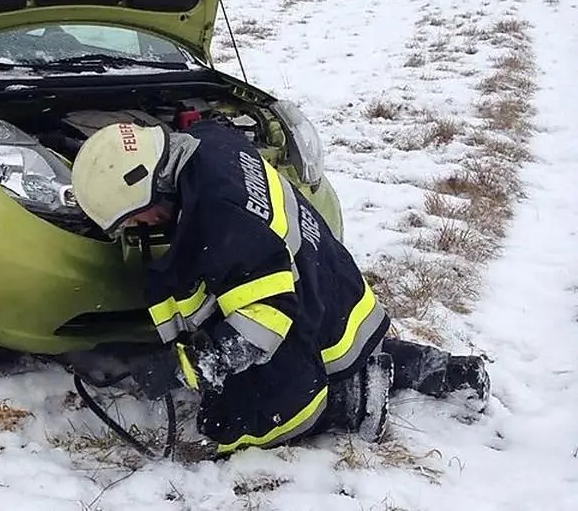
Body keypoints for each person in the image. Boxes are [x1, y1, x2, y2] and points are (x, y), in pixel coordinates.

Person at [69, 117, 489, 456]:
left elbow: (259, 328)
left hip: (306, 320)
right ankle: (450, 371)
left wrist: (177, 369)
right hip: (333, 289)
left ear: (152, 185)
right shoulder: (208, 142)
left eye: (136, 218)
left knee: (227, 422)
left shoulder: (219, 217)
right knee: (352, 352)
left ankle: (349, 399)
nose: (139, 227)